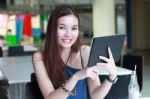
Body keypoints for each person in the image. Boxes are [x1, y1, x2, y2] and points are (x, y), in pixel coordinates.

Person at [32, 5, 118, 99]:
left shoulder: (85, 53)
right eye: (62, 28)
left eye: (74, 28)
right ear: (52, 29)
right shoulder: (39, 57)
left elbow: (95, 95)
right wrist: (76, 77)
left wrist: (112, 77)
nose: (68, 34)